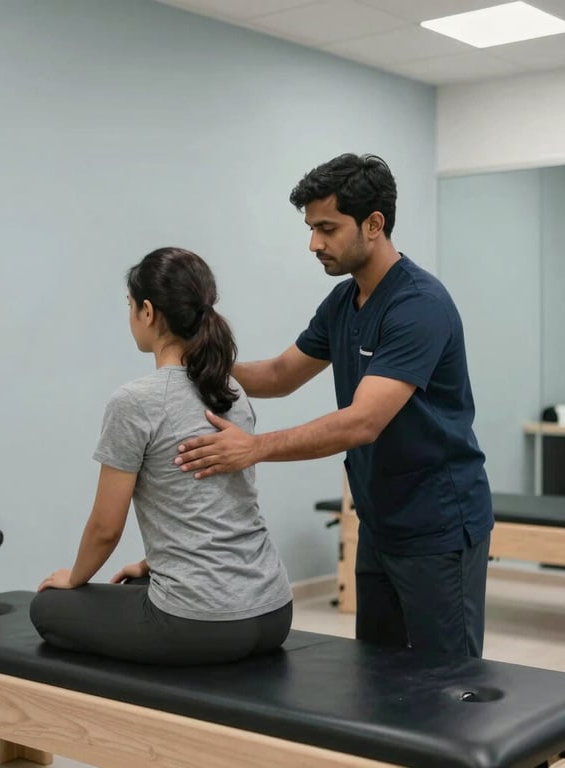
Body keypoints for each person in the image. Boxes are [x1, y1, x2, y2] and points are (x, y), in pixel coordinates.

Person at [174, 153, 494, 658]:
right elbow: (280, 375)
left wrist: (253, 448)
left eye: (327, 228)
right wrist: (193, 364)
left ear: (373, 224)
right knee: (378, 675)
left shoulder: (419, 306)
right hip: (379, 521)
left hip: (438, 525)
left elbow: (363, 422)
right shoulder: (344, 303)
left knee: (446, 688)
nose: (314, 243)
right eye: (310, 228)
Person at [30, 247, 293, 665]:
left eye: (130, 306)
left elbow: (105, 528)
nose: (131, 315)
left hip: (200, 623)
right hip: (274, 610)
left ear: (148, 312)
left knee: (47, 608)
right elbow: (217, 505)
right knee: (133, 587)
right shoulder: (232, 391)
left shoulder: (135, 401)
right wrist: (154, 562)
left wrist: (74, 578)